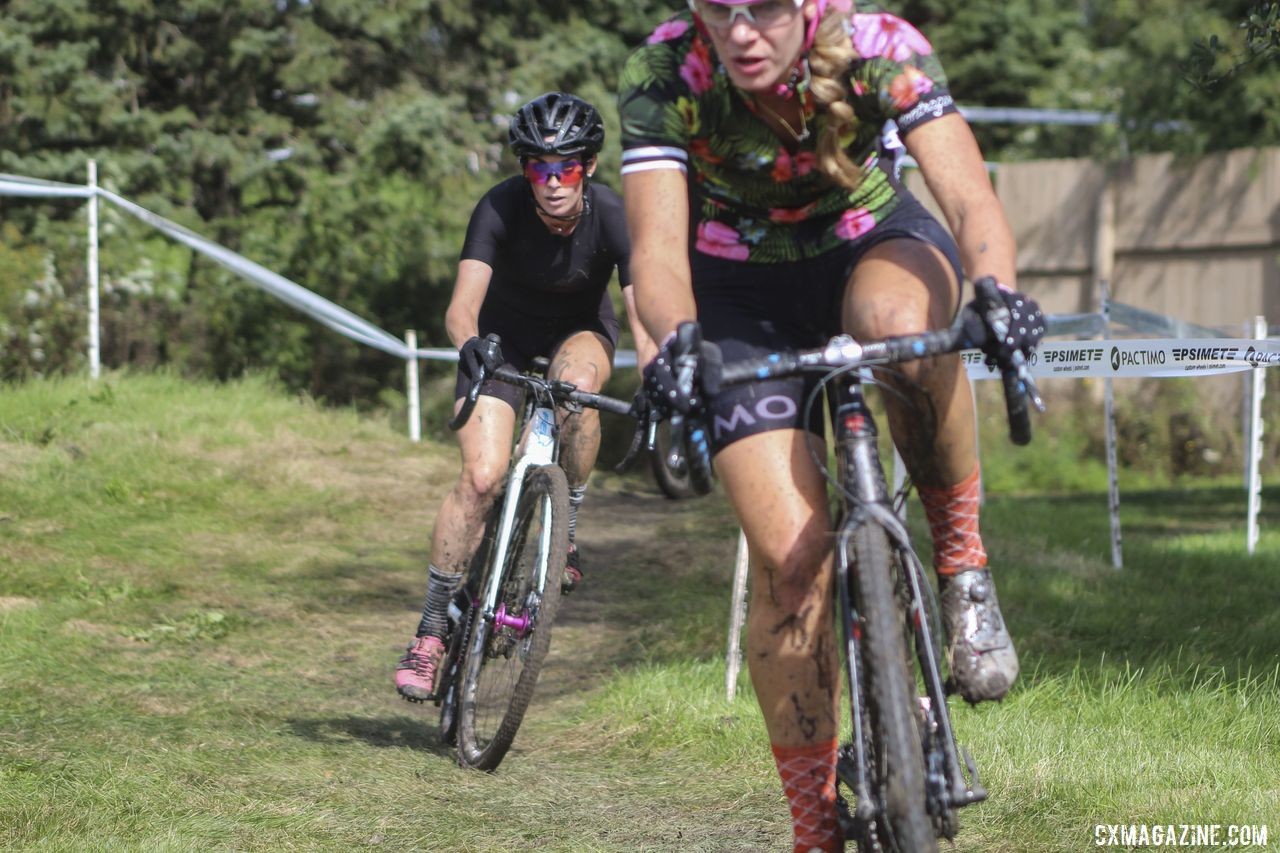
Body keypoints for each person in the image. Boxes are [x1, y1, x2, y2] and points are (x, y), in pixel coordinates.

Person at [618, 1, 1044, 849]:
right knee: (791, 563)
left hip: (870, 242)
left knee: (902, 330)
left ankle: (962, 562)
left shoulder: (882, 48)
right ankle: (813, 828)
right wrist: (677, 343)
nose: (742, 32)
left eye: (768, 7)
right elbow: (658, 255)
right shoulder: (665, 72)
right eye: (719, 7)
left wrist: (997, 289)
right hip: (738, 294)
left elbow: (968, 197)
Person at [395, 91, 656, 703]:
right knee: (481, 479)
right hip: (499, 342)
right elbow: (462, 305)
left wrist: (656, 377)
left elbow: (643, 319)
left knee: (581, 394)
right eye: (539, 167)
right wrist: (469, 345)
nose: (553, 181)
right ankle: (433, 630)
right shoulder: (499, 208)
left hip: (579, 334)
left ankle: (566, 527)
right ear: (524, 171)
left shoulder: (614, 215)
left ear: (588, 166)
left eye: (566, 166)